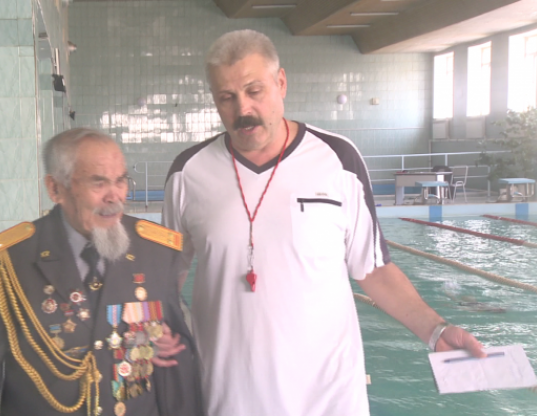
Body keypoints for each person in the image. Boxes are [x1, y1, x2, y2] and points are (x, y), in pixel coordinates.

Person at [162, 29, 486, 416]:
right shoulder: (188, 172)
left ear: (281, 82)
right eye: (226, 97)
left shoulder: (338, 160)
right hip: (229, 396)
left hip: (329, 398)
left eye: (254, 90)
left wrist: (435, 330)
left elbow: (374, 269)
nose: (243, 109)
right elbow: (166, 276)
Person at [0, 128, 202, 416]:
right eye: (99, 183)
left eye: (121, 180)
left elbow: (175, 363)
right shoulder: (9, 263)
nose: (115, 196)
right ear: (55, 189)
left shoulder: (154, 251)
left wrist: (161, 344)